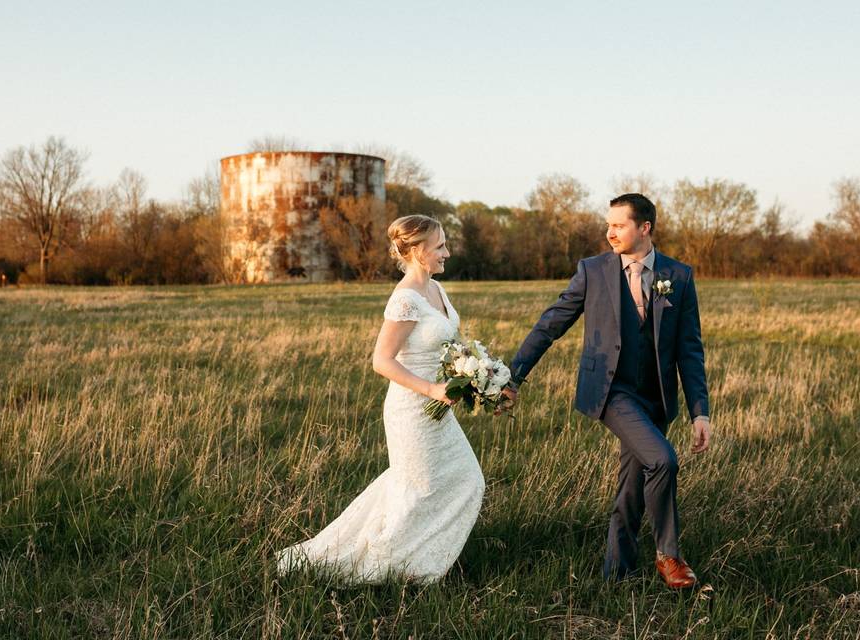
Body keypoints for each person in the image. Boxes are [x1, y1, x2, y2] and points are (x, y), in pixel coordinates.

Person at [503, 193, 711, 588]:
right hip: (612, 392)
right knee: (663, 460)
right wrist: (514, 376)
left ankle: (617, 575)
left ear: (644, 228)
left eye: (618, 225)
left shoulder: (678, 276)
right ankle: (669, 556)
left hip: (657, 397)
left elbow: (689, 349)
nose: (609, 232)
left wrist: (700, 411)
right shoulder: (593, 270)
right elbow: (552, 323)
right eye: (608, 224)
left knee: (631, 487)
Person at [276, 215, 485, 583]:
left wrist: (480, 373)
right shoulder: (405, 299)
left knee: (464, 479)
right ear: (418, 251)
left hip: (438, 409)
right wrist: (433, 390)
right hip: (411, 409)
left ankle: (421, 561)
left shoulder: (437, 290)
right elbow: (381, 360)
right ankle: (394, 566)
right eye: (440, 247)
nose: (447, 253)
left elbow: (452, 345)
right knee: (416, 490)